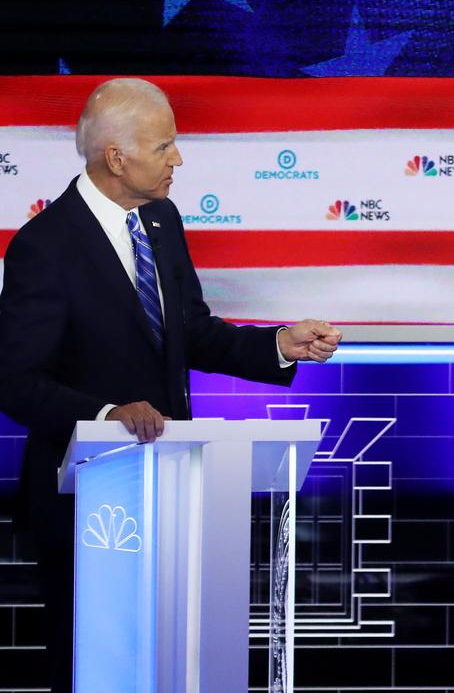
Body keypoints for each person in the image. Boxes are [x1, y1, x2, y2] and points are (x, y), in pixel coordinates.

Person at [0, 78, 343, 693]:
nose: (178, 160)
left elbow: (191, 332)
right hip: (87, 503)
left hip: (174, 487)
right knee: (90, 665)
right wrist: (105, 414)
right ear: (116, 157)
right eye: (165, 148)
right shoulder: (44, 247)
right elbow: (16, 381)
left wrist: (277, 344)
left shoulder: (160, 220)